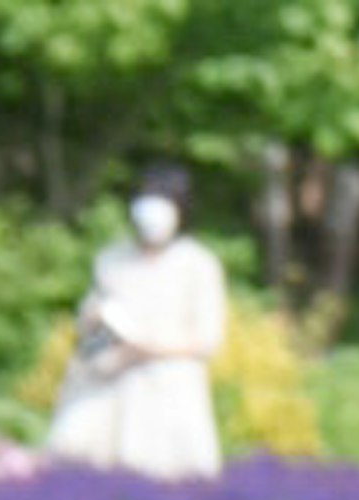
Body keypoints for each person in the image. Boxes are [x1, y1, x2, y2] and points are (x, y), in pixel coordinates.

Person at [46, 178, 228, 480]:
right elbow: (91, 324)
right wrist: (98, 324)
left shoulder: (197, 264)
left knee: (170, 478)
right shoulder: (112, 259)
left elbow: (207, 339)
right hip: (109, 382)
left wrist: (150, 346)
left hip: (169, 389)